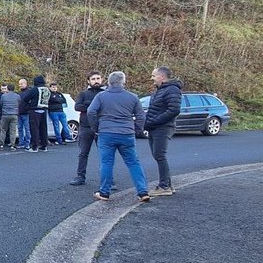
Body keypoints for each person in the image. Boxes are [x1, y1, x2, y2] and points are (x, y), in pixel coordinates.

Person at [87, 71, 150, 203]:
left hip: (106, 132)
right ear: (123, 82)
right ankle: (142, 191)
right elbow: (141, 116)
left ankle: (104, 192)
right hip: (126, 133)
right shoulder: (132, 97)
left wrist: (96, 128)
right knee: (133, 162)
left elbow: (91, 111)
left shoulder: (101, 96)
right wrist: (137, 130)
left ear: (109, 82)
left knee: (106, 163)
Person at [144, 66, 183, 197]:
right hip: (154, 127)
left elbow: (174, 110)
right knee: (158, 155)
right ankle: (168, 185)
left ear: (161, 77)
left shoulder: (172, 89)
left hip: (163, 127)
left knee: (160, 155)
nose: (152, 78)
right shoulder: (160, 90)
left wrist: (155, 121)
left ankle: (164, 186)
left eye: (154, 75)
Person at [70, 71, 106, 186]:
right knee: (83, 153)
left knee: (105, 154)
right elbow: (77, 106)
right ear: (88, 81)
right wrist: (94, 106)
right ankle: (80, 176)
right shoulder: (83, 94)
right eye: (93, 79)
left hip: (101, 127)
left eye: (98, 78)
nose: (96, 81)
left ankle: (107, 178)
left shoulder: (105, 93)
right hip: (86, 127)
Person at [22, 75, 51, 152]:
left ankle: (34, 146)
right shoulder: (47, 89)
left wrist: (28, 105)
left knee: (34, 129)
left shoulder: (35, 89)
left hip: (34, 110)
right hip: (44, 110)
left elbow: (26, 98)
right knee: (43, 128)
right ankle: (44, 145)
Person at [0, 84, 21, 150]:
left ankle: (1, 145)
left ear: (7, 89)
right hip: (14, 114)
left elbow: (1, 104)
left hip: (5, 115)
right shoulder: (17, 96)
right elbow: (19, 103)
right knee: (13, 131)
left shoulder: (3, 96)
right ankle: (12, 145)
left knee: (3, 130)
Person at [17, 78, 31, 149]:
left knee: (27, 128)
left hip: (26, 113)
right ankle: (21, 142)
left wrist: (27, 108)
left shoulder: (29, 92)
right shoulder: (19, 93)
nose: (20, 85)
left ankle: (27, 142)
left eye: (21, 84)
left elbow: (31, 102)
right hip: (19, 113)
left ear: (25, 83)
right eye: (19, 84)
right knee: (20, 128)